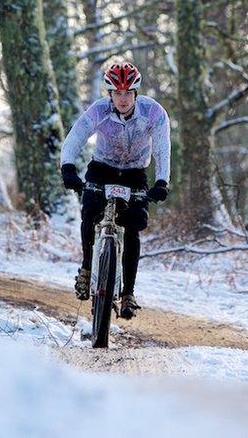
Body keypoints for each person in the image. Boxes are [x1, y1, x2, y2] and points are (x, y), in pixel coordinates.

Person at [59, 61, 171, 319]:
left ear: (136, 92)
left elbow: (162, 148)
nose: (123, 99)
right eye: (117, 93)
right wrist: (68, 168)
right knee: (90, 212)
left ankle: (128, 292)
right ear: (110, 93)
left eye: (128, 93)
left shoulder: (153, 112)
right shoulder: (99, 110)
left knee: (133, 227)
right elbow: (75, 138)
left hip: (134, 172)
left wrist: (161, 182)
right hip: (103, 168)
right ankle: (87, 269)